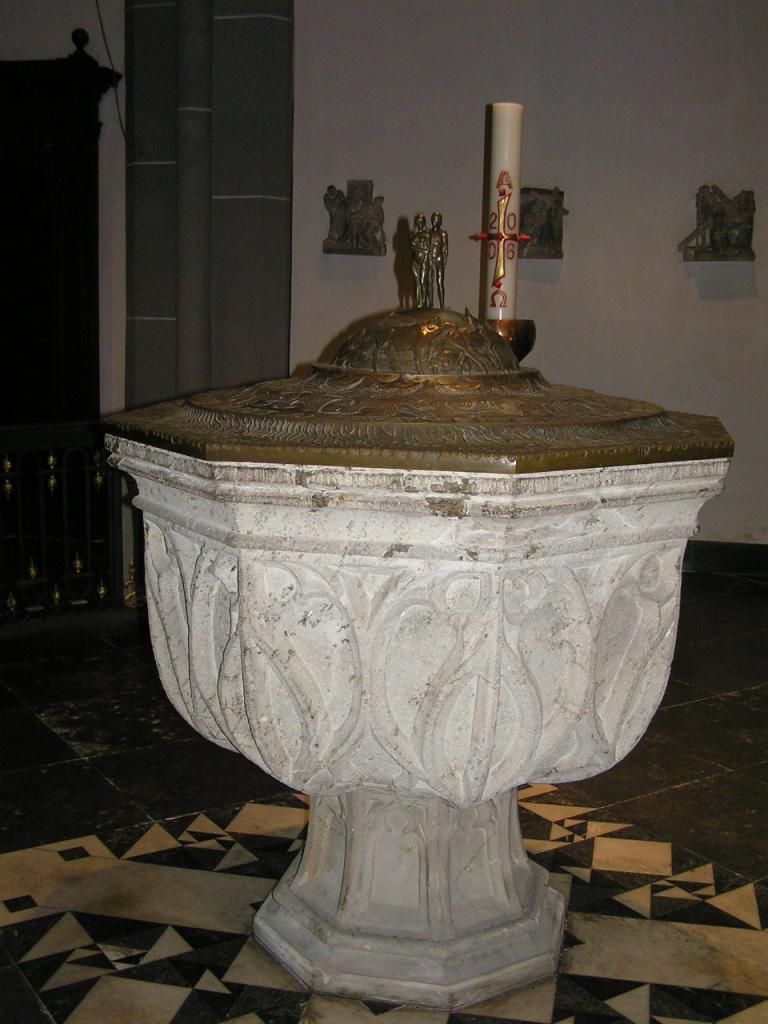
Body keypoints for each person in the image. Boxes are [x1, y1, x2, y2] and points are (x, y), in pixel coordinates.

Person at [428, 212, 449, 309]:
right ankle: (430, 303)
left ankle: (442, 304)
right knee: (430, 281)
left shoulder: (443, 233)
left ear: (440, 221)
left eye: (436, 220)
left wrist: (444, 261)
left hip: (439, 259)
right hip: (430, 258)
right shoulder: (428, 233)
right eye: (433, 219)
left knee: (440, 281)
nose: (434, 221)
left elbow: (445, 248)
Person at [410, 213, 430, 307]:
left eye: (421, 221)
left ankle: (424, 302)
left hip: (424, 261)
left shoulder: (427, 234)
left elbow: (428, 249)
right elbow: (412, 247)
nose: (419, 223)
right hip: (415, 261)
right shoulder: (413, 234)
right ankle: (418, 303)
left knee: (422, 282)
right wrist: (423, 250)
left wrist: (423, 251)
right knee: (417, 282)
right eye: (418, 222)